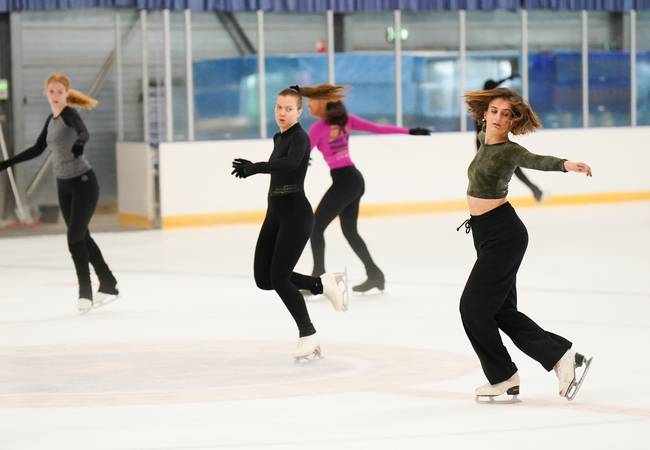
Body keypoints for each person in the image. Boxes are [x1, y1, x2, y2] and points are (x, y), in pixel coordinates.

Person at [458, 87, 593, 401]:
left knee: (472, 308)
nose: (498, 118)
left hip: (503, 234)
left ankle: (506, 374)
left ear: (512, 121)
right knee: (500, 312)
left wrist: (566, 164)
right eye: (494, 111)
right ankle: (560, 358)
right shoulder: (481, 139)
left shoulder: (509, 150)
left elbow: (535, 160)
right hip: (486, 233)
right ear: (485, 113)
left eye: (506, 114)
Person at [231, 87, 349, 362]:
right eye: (278, 108)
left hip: (296, 215)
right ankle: (323, 284)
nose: (282, 113)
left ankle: (308, 335)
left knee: (280, 278)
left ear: (298, 112)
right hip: (275, 213)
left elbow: (290, 163)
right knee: (264, 278)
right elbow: (281, 163)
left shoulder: (300, 138)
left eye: (288, 109)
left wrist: (256, 167)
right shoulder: (279, 137)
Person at [0, 73, 118, 314]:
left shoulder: (69, 115)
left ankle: (85, 292)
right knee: (82, 237)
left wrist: (79, 144)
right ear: (46, 93)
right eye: (51, 91)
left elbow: (84, 132)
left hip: (84, 183)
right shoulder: (51, 119)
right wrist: (6, 163)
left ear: (67, 93)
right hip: (63, 186)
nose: (55, 96)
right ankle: (109, 284)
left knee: (74, 238)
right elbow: (36, 149)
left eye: (59, 92)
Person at [297, 83, 431, 294]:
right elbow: (377, 128)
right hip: (353, 180)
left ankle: (317, 280)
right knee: (349, 231)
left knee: (315, 228)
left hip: (345, 182)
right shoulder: (345, 122)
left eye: (311, 102)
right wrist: (410, 131)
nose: (309, 106)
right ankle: (375, 275)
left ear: (323, 104)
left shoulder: (319, 128)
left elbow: (303, 154)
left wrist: (410, 131)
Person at [475, 77, 543, 203]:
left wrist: (508, 78)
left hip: (487, 141)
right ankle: (535, 190)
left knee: (507, 168)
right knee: (494, 170)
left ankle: (535, 190)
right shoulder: (487, 106)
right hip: (486, 141)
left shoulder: (486, 103)